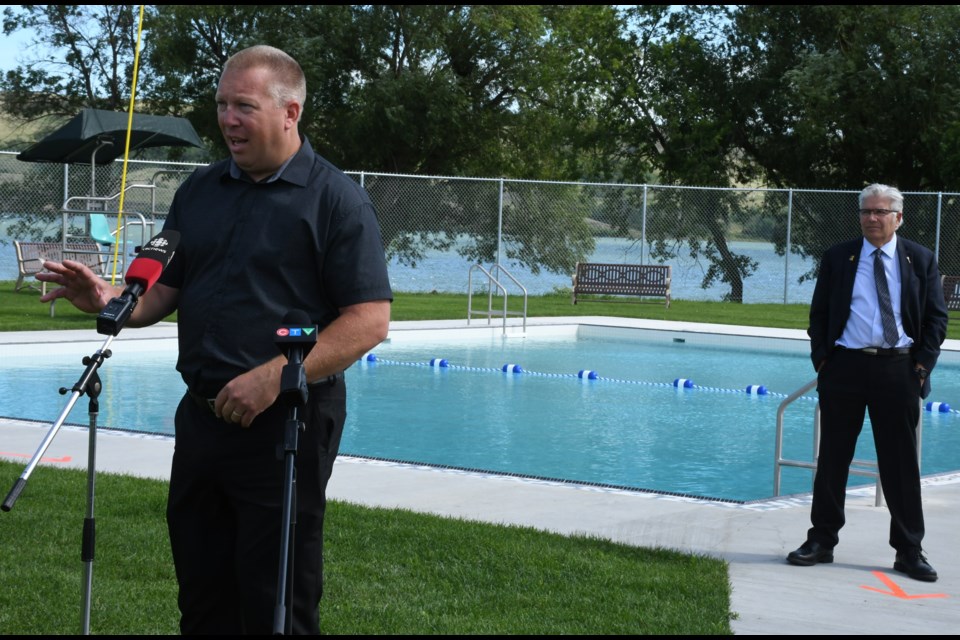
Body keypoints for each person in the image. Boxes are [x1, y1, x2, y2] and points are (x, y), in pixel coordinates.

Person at [37, 45, 392, 633]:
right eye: (222, 104)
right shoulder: (199, 192)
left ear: (289, 112)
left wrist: (275, 377)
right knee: (202, 596)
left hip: (287, 424)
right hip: (201, 419)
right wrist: (108, 303)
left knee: (276, 602)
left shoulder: (336, 201)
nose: (227, 119)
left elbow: (368, 320)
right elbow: (160, 294)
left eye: (243, 107)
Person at [787, 183, 947, 582]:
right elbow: (819, 314)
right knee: (833, 459)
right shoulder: (839, 257)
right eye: (866, 212)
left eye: (880, 212)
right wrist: (823, 361)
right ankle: (822, 540)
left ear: (898, 217)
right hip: (845, 369)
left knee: (901, 465)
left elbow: (936, 320)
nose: (871, 218)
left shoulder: (920, 259)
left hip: (898, 370)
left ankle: (909, 549)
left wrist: (921, 367)